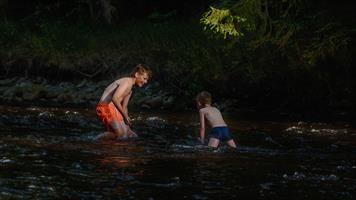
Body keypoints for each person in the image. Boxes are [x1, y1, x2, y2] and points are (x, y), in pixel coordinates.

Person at [95, 64, 152, 140]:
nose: (146, 82)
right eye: (144, 78)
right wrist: (124, 116)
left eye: (147, 80)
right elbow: (115, 98)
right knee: (119, 134)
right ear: (137, 74)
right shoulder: (126, 82)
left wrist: (127, 125)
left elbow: (124, 107)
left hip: (113, 107)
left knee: (128, 134)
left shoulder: (131, 89)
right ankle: (96, 139)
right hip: (104, 106)